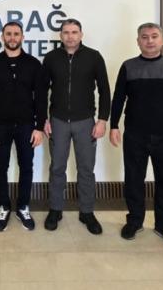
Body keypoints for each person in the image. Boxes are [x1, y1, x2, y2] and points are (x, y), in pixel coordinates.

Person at [109, 23, 163, 249]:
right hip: (135, 135)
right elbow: (118, 98)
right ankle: (135, 221)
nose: (150, 41)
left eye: (154, 36)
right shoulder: (128, 66)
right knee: (133, 180)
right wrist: (114, 125)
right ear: (138, 41)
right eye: (144, 37)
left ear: (162, 40)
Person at [42, 18, 111, 235]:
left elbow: (105, 90)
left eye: (74, 32)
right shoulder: (51, 58)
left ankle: (87, 212)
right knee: (57, 167)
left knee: (86, 169)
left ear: (81, 34)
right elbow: (42, 91)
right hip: (58, 121)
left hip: (85, 122)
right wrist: (43, 119)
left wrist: (102, 120)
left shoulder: (94, 57)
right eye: (66, 32)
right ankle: (55, 210)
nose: (70, 36)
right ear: (60, 36)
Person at [0, 22, 47, 231]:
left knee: (26, 166)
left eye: (16, 34)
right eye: (8, 34)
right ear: (2, 37)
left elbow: (41, 98)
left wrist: (39, 127)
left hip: (27, 126)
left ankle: (22, 207)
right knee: (0, 167)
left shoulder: (33, 64)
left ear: (22, 37)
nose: (12, 37)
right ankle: (4, 206)